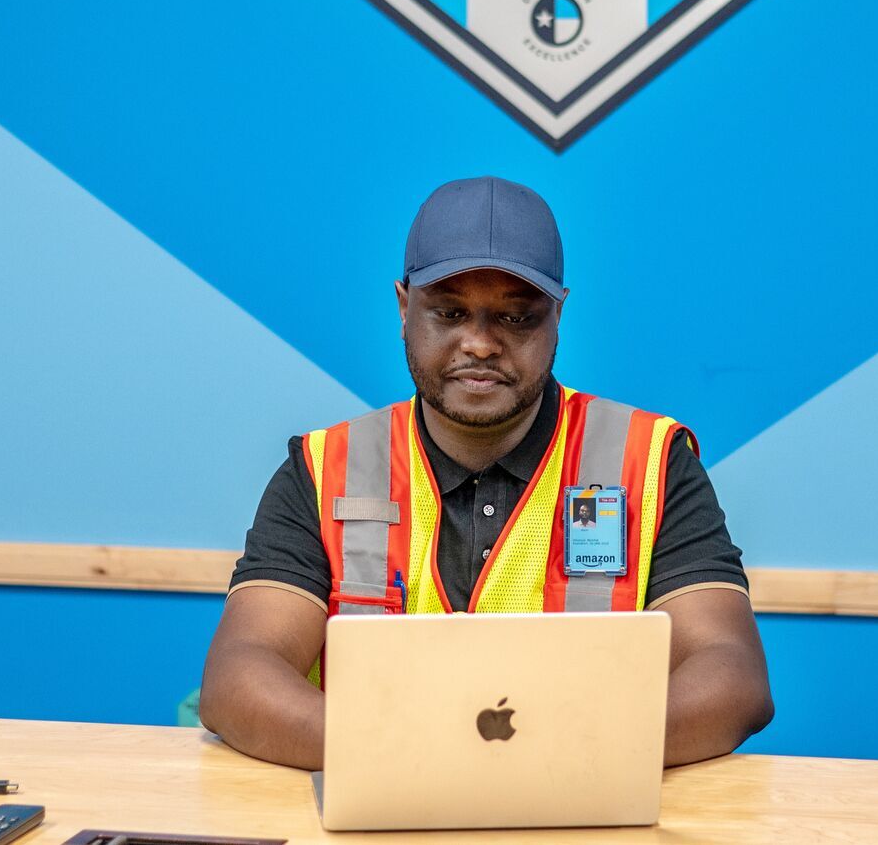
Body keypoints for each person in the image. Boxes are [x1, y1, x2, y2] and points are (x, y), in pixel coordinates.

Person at [199, 176, 774, 770]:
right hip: (377, 817)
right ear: (403, 309)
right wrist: (427, 759)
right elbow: (239, 677)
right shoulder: (324, 471)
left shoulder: (651, 462)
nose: (480, 343)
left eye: (516, 319)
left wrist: (537, 759)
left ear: (558, 315)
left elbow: (731, 676)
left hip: (578, 820)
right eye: (449, 312)